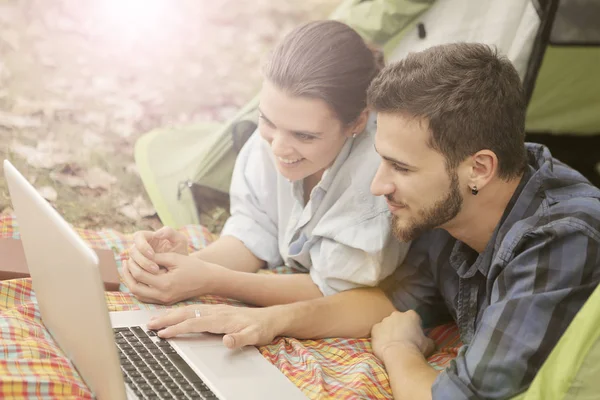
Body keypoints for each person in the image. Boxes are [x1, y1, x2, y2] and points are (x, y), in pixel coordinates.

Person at [146, 43, 600, 399]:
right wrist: (270, 321)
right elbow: (391, 302)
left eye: (401, 168)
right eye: (381, 162)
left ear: (479, 168)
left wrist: (399, 351)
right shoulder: (455, 207)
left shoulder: (558, 241)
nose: (378, 186)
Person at [122, 20, 408, 306]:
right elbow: (256, 230)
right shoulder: (268, 143)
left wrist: (211, 279)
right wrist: (182, 265)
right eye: (268, 121)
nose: (279, 147)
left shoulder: (376, 185)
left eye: (304, 135)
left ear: (357, 122)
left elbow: (332, 291)